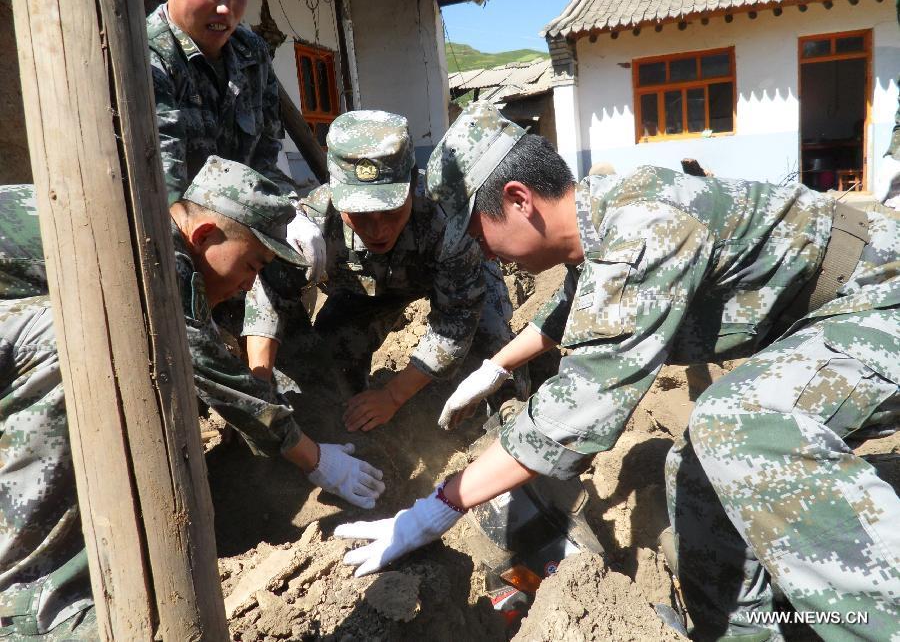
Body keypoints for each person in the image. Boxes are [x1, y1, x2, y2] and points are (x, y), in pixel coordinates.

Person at [334, 102, 900, 641]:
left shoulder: (643, 229)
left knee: (739, 423)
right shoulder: (599, 209)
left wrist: (436, 508)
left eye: (479, 233)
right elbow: (576, 306)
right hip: (832, 309)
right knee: (697, 465)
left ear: (519, 199)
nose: (482, 253)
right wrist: (495, 367)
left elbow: (580, 410)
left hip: (880, 296)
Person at [0, 158, 383, 638]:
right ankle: (28, 602)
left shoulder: (146, 223)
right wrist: (315, 459)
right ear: (203, 236)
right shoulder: (152, 256)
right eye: (251, 265)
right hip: (27, 329)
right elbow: (210, 370)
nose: (249, 284)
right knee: (79, 341)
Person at [289, 109, 525, 432]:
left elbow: (457, 318)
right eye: (360, 214)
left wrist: (392, 395)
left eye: (390, 210)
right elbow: (274, 304)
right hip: (369, 292)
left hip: (450, 281)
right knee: (329, 351)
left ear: (412, 181)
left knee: (492, 344)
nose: (377, 229)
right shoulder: (314, 225)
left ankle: (512, 408)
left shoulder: (446, 218)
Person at [147, 0, 326, 382]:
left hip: (238, 245)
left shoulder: (250, 52)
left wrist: (290, 211)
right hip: (179, 244)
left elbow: (265, 153)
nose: (226, 8)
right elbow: (167, 195)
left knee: (293, 339)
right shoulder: (144, 59)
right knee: (185, 366)